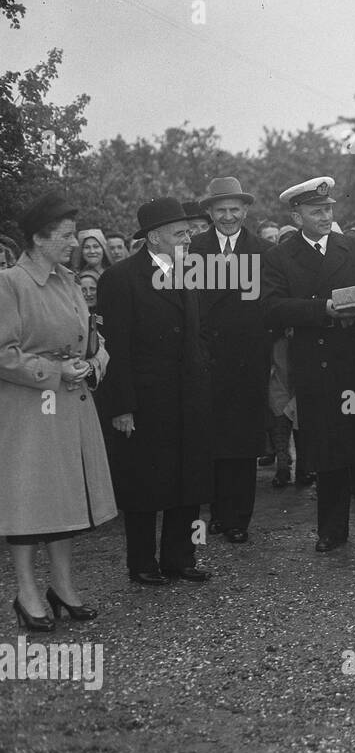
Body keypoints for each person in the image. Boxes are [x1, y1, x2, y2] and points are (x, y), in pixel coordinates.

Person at [262, 176, 355, 553]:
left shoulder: (353, 247)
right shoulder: (278, 257)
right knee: (328, 451)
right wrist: (321, 309)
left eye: (329, 210)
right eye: (316, 211)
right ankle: (331, 531)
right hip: (316, 365)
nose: (326, 216)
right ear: (297, 215)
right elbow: (272, 307)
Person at [1, 190, 116, 629]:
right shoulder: (10, 283)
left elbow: (93, 338)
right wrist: (54, 372)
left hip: (71, 408)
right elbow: (3, 354)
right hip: (30, 412)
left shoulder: (68, 280)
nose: (74, 243)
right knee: (30, 503)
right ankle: (27, 593)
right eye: (66, 236)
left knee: (66, 502)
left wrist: (93, 363)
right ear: (39, 237)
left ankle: (64, 588)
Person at [96, 197, 214, 585]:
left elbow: (194, 335)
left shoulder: (189, 271)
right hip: (147, 400)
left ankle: (179, 558)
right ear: (154, 237)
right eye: (181, 233)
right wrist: (122, 406)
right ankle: (142, 563)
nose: (189, 239)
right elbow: (118, 348)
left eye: (189, 232)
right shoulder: (120, 279)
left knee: (188, 477)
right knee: (144, 483)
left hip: (189, 397)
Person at [189, 176, 271, 543]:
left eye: (234, 209)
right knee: (210, 439)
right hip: (206, 359)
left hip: (248, 360)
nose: (227, 216)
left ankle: (239, 518)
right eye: (220, 210)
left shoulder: (265, 252)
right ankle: (218, 513)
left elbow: (268, 307)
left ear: (245, 210)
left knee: (242, 442)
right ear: (209, 212)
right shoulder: (191, 250)